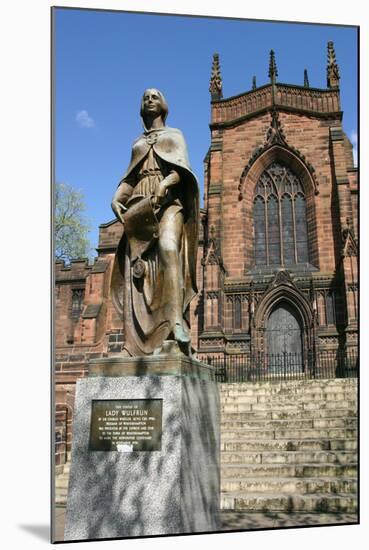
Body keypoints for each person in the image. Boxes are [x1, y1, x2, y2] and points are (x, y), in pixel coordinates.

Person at [111, 88, 199, 356]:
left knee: (169, 250)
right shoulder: (138, 143)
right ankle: (134, 344)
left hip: (169, 203)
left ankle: (174, 325)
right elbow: (130, 178)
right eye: (145, 97)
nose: (149, 99)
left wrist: (163, 184)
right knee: (136, 270)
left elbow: (181, 172)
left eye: (155, 96)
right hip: (139, 206)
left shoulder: (175, 135)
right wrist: (117, 197)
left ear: (164, 105)